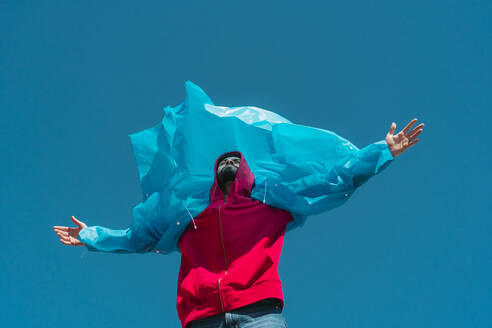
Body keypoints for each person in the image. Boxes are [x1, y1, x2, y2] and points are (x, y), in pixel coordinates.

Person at [54, 115, 423, 328]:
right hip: (202, 318)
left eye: (235, 159)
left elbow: (332, 179)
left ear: (244, 166)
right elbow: (139, 236)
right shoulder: (188, 211)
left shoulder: (270, 197)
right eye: (222, 161)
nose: (229, 163)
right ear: (213, 173)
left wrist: (381, 152)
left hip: (258, 313)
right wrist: (91, 235)